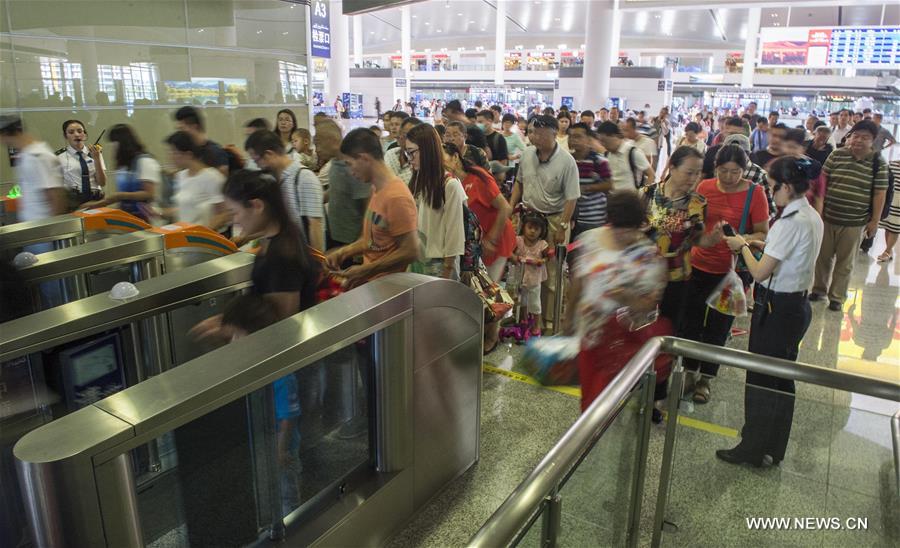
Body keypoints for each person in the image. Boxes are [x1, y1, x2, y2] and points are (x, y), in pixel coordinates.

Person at [717, 156, 824, 467]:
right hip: (796, 307)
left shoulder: (789, 223)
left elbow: (761, 273)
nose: (771, 192)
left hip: (777, 309)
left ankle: (751, 448)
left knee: (761, 380)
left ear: (787, 187)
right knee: (782, 380)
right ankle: (772, 448)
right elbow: (788, 255)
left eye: (775, 187)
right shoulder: (809, 214)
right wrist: (762, 243)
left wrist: (743, 247)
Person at [681, 145, 769, 404]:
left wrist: (740, 239)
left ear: (745, 169)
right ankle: (688, 371)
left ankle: (706, 378)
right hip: (698, 265)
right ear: (715, 167)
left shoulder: (755, 193)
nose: (729, 177)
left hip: (731, 273)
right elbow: (693, 223)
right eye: (723, 171)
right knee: (691, 324)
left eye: (735, 172)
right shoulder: (705, 187)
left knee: (718, 328)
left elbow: (763, 232)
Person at [566, 191, 667, 411]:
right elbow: (578, 281)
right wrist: (567, 320)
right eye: (616, 227)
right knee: (589, 395)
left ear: (640, 225)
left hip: (622, 343)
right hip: (590, 333)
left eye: (628, 229)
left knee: (607, 400)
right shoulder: (590, 239)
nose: (621, 234)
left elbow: (650, 304)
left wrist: (626, 297)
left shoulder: (648, 255)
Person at [191, 169, 321, 340]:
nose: (234, 220)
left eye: (235, 212)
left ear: (257, 206)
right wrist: (226, 321)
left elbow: (283, 323)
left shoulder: (282, 256)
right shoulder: (280, 236)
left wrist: (227, 330)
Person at [220, 294, 301, 515]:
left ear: (258, 335)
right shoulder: (251, 364)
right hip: (260, 445)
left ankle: (290, 527)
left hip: (281, 449)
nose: (233, 342)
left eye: (238, 335)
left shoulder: (281, 373)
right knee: (265, 491)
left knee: (285, 492)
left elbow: (288, 417)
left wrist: (280, 449)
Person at [510, 115, 580, 333]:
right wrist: (510, 209)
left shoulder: (567, 161)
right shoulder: (528, 154)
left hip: (554, 220)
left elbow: (572, 197)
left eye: (538, 132)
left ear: (553, 132)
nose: (533, 136)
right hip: (528, 218)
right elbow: (519, 183)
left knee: (550, 274)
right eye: (530, 131)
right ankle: (525, 318)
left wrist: (563, 227)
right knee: (524, 269)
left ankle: (549, 321)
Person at [325, 128, 419, 287]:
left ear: (364, 158)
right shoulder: (376, 189)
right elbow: (372, 241)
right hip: (373, 285)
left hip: (389, 290)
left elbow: (411, 251)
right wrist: (343, 252)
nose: (350, 171)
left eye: (350, 163)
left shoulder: (396, 197)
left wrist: (366, 270)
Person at [811, 120, 889, 310]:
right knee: (822, 257)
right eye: (856, 136)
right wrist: (817, 213)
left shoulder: (878, 163)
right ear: (849, 137)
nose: (859, 140)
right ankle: (818, 290)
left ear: (873, 140)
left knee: (845, 263)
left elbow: (880, 193)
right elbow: (822, 183)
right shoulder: (836, 155)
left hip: (855, 221)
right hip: (828, 217)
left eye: (865, 137)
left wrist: (874, 221)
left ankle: (837, 297)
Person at [443, 142, 515, 282]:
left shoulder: (478, 177)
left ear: (455, 157)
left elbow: (505, 208)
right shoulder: (450, 182)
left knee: (488, 289)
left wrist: (490, 241)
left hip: (496, 240)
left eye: (442, 158)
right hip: (475, 245)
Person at [245, 130, 324, 251]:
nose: (257, 166)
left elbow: (315, 226)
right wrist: (244, 238)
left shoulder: (304, 178)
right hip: (285, 254)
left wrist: (318, 264)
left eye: (257, 161)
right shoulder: (273, 180)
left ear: (269, 154)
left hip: (303, 258)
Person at [406, 124, 465, 280]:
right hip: (417, 261)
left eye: (412, 153)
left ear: (427, 151)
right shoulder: (418, 179)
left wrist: (447, 272)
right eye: (408, 153)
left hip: (440, 265)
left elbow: (455, 235)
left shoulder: (450, 184)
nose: (410, 159)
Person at [82, 124, 161, 222]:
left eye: (114, 143)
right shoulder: (124, 165)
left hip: (143, 218)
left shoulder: (145, 161)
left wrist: (119, 196)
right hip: (126, 217)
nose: (112, 148)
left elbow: (149, 193)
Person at [0, 115, 66, 222]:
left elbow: (55, 195)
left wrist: (53, 230)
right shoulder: (25, 155)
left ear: (5, 134)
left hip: (43, 227)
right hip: (32, 225)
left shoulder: (38, 156)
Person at [164, 131, 227, 230]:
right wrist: (159, 212)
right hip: (184, 236)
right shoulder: (181, 176)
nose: (171, 157)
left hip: (203, 239)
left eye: (174, 152)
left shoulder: (213, 177)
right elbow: (183, 208)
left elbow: (223, 213)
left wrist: (204, 233)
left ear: (188, 154)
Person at [569, 123, 612, 238]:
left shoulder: (599, 161)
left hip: (594, 219)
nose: (573, 140)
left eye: (578, 136)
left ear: (588, 139)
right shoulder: (568, 160)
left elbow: (610, 184)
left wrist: (587, 188)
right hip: (571, 218)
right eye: (571, 136)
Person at [512, 212, 551, 337]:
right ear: (523, 227)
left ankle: (537, 325)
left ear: (541, 230)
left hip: (534, 279)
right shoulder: (518, 241)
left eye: (536, 229)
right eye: (530, 227)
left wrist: (541, 261)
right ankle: (523, 320)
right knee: (522, 301)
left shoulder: (542, 245)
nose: (532, 231)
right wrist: (516, 258)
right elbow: (510, 253)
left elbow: (548, 257)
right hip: (521, 277)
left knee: (535, 303)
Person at [57, 119, 106, 206]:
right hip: (74, 202)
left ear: (85, 134)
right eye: (71, 132)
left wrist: (97, 159)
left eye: (80, 131)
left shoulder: (95, 153)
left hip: (95, 200)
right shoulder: (59, 157)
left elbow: (102, 183)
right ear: (66, 136)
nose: (76, 135)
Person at [595, 121, 654, 190]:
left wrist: (643, 194)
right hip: (613, 199)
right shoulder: (607, 155)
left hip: (632, 198)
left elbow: (651, 175)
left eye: (604, 141)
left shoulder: (633, 152)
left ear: (614, 136)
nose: (602, 144)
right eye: (601, 142)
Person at [781, 128, 825, 215]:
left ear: (803, 148)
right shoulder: (776, 165)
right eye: (786, 146)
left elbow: (818, 199)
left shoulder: (814, 168)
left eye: (793, 147)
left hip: (804, 217)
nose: (788, 151)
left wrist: (816, 220)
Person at [174, 106, 229, 175]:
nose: (179, 134)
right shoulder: (188, 153)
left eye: (182, 128)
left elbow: (222, 182)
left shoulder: (215, 152)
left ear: (194, 126)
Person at [384, 117, 422, 186]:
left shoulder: (420, 163)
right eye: (401, 133)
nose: (400, 137)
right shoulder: (390, 153)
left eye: (407, 135)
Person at [876, 160, 900, 263]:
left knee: (894, 226)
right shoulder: (892, 164)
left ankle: (888, 250)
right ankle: (888, 251)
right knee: (887, 225)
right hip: (890, 198)